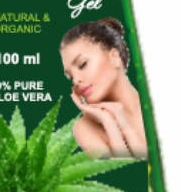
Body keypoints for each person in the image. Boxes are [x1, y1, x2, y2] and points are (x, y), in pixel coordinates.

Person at [60, 18, 148, 160]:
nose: (76, 80)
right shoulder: (85, 128)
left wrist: (125, 126)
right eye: (70, 77)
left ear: (114, 57)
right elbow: (127, 172)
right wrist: (109, 122)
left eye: (82, 64)